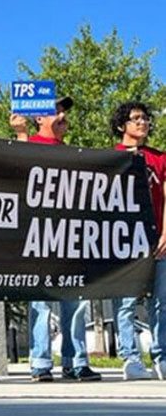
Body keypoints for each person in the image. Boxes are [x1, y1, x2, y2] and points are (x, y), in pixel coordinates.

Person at [11, 97, 102, 382]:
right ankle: (40, 363)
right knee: (40, 301)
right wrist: (20, 134)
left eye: (64, 111)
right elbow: (16, 175)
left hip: (72, 236)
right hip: (37, 236)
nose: (62, 116)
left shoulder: (74, 152)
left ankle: (76, 361)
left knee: (76, 301)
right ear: (39, 118)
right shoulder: (27, 144)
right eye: (55, 111)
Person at [108, 102, 166, 380]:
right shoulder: (109, 157)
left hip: (157, 238)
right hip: (125, 240)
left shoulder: (160, 158)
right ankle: (131, 359)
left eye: (145, 118)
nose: (143, 123)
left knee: (160, 301)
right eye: (135, 119)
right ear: (122, 126)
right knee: (126, 302)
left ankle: (162, 357)